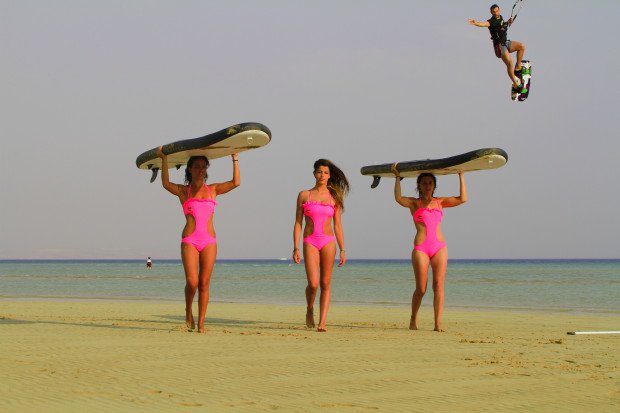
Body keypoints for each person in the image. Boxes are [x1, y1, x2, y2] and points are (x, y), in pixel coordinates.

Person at [156, 147, 240, 333]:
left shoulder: (213, 190)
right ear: (190, 169)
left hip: (209, 240)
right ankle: (188, 310)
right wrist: (164, 159)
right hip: (190, 240)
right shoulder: (183, 191)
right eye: (197, 167)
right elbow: (165, 183)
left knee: (204, 283)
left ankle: (201, 323)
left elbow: (236, 182)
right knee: (192, 282)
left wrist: (234, 158)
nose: (200, 170)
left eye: (203, 167)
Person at [391, 167, 467, 332]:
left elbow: (463, 198)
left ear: (434, 186)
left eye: (430, 183)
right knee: (422, 288)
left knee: (439, 285)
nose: (427, 186)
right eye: (424, 183)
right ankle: (413, 319)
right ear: (419, 185)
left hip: (439, 247)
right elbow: (398, 198)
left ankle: (437, 323)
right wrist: (397, 177)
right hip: (421, 248)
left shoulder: (440, 202)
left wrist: (461, 175)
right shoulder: (414, 203)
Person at [293, 159, 349, 332]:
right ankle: (310, 308)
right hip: (310, 241)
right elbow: (297, 222)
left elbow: (338, 225)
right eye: (319, 172)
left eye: (325, 173)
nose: (322, 175)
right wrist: (295, 247)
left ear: (329, 175)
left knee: (325, 283)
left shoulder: (335, 197)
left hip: (328, 242)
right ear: (314, 174)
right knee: (314, 283)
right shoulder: (304, 195)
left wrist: (342, 249)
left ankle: (322, 322)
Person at [468, 4, 527, 92]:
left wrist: (507, 22)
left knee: (521, 46)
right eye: (493, 12)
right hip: (499, 47)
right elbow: (484, 24)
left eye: (497, 11)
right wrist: (476, 23)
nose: (496, 13)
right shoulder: (491, 22)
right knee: (510, 63)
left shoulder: (501, 18)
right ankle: (515, 84)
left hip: (506, 43)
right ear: (491, 12)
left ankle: (518, 68)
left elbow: (502, 25)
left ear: (499, 10)